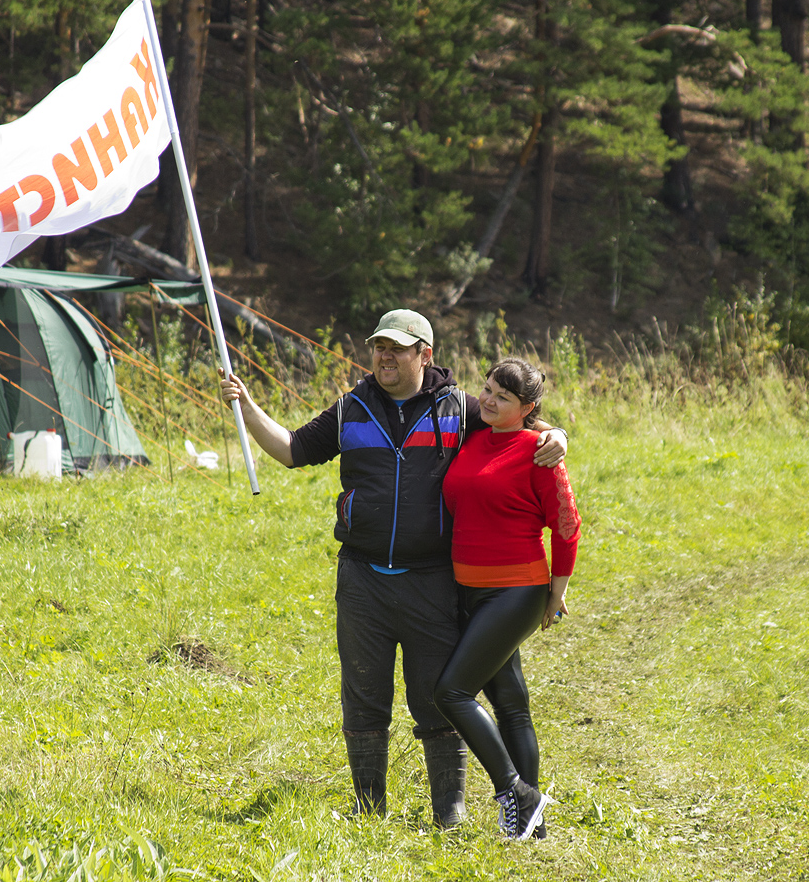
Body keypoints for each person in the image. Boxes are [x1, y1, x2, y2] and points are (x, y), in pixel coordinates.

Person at [219, 310, 567, 828]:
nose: (384, 356)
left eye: (397, 349)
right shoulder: (350, 408)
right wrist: (247, 408)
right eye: (379, 346)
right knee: (364, 697)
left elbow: (517, 419)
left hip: (434, 579)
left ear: (425, 355)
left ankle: (450, 813)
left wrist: (558, 434)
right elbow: (292, 450)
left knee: (436, 697)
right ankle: (368, 810)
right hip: (362, 577)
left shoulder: (460, 408)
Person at [435, 357, 580, 840]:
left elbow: (566, 525)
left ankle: (514, 792)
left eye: (504, 397)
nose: (489, 400)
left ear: (528, 408)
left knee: (452, 692)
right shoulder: (473, 437)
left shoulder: (540, 451)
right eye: (488, 389)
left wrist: (557, 591)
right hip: (468, 589)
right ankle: (532, 825)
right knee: (510, 702)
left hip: (517, 589)